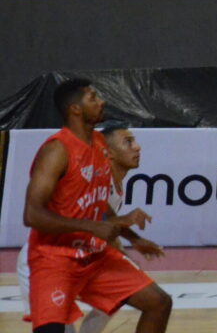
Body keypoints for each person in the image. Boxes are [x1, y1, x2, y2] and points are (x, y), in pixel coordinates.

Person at [23, 79, 173, 333]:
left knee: (158, 302)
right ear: (75, 109)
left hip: (93, 256)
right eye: (93, 97)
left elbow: (98, 202)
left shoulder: (100, 144)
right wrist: (93, 227)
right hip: (54, 258)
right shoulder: (57, 149)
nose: (102, 101)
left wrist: (133, 237)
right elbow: (32, 215)